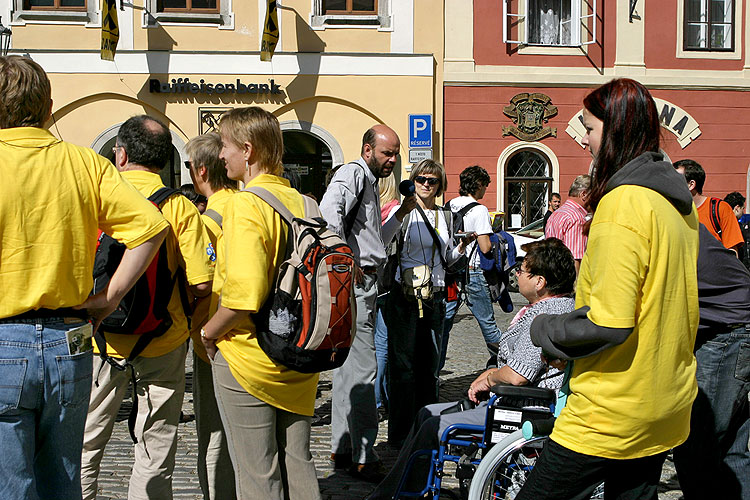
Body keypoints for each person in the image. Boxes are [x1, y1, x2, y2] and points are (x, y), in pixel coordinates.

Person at [0, 55, 170, 499]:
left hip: (4, 336)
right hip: (69, 338)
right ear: (49, 107)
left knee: (9, 484)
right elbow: (150, 229)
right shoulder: (83, 163)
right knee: (62, 479)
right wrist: (109, 298)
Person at [522, 78, 700, 500]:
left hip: (612, 407)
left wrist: (544, 329)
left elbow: (610, 323)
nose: (584, 139)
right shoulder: (678, 206)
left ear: (615, 130)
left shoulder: (623, 203)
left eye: (589, 127)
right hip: (663, 401)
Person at [367, 238, 576, 500]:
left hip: (519, 408)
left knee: (434, 423)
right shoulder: (552, 307)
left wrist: (488, 379)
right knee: (426, 413)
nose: (517, 274)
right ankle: (404, 489)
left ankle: (395, 494)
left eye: (522, 270)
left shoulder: (546, 315)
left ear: (540, 282)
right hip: (508, 401)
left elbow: (517, 376)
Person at [81, 115, 215, 500]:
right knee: (156, 444)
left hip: (101, 339)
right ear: (165, 159)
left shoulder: (97, 198)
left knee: (87, 440)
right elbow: (202, 282)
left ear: (120, 154)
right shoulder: (180, 208)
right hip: (163, 339)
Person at [198, 107, 320, 500]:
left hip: (250, 358)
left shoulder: (244, 205)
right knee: (298, 463)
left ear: (247, 150)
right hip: (301, 357)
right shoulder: (306, 204)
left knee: (257, 475)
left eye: (225, 146)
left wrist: (208, 334)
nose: (220, 156)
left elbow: (243, 298)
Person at [319, 125, 416, 481]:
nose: (392, 160)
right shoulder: (353, 173)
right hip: (356, 285)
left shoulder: (369, 183)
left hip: (364, 282)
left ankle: (342, 448)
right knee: (363, 369)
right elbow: (329, 216)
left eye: (395, 154)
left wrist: (402, 213)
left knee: (347, 370)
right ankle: (363, 453)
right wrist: (346, 260)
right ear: (367, 149)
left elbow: (374, 240)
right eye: (386, 153)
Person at [381, 159, 470, 447]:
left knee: (430, 365)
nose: (427, 185)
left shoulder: (446, 217)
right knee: (403, 366)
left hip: (435, 295)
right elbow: (381, 242)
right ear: (413, 181)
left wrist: (460, 248)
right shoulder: (402, 211)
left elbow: (449, 260)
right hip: (405, 296)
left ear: (440, 185)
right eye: (421, 179)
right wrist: (399, 215)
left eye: (433, 180)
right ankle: (400, 434)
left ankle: (427, 428)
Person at [673, 224, 750, 500]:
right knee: (731, 445)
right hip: (731, 326)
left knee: (695, 444)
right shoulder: (680, 217)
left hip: (728, 330)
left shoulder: (664, 221)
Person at [185, 131, 237, 500]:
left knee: (215, 432)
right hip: (254, 335)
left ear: (200, 170)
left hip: (214, 336)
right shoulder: (248, 202)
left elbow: (198, 283)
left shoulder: (207, 221)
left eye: (188, 165)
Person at [441, 165, 501, 372]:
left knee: (445, 323)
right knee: (487, 322)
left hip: (451, 270)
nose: (485, 190)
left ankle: (435, 370)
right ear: (478, 185)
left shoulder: (448, 205)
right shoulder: (479, 209)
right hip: (473, 270)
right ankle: (505, 362)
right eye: (485, 185)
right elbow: (484, 248)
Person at [674, 159, 743, 256]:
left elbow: (732, 253)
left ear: (691, 185)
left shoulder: (720, 209)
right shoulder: (670, 210)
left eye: (675, 179)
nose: (670, 183)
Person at [374, 173, 399, 414]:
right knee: (383, 343)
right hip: (389, 283)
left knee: (374, 342)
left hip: (373, 281)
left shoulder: (374, 210)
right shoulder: (395, 210)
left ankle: (378, 396)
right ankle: (380, 398)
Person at [544, 174, 590, 272]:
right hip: (567, 279)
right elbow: (575, 259)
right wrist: (576, 286)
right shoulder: (577, 218)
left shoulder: (556, 214)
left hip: (553, 274)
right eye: (594, 195)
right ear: (584, 194)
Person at [724, 191, 750, 269]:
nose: (743, 212)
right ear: (737, 208)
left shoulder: (720, 222)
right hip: (737, 269)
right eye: (743, 208)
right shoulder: (736, 226)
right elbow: (743, 253)